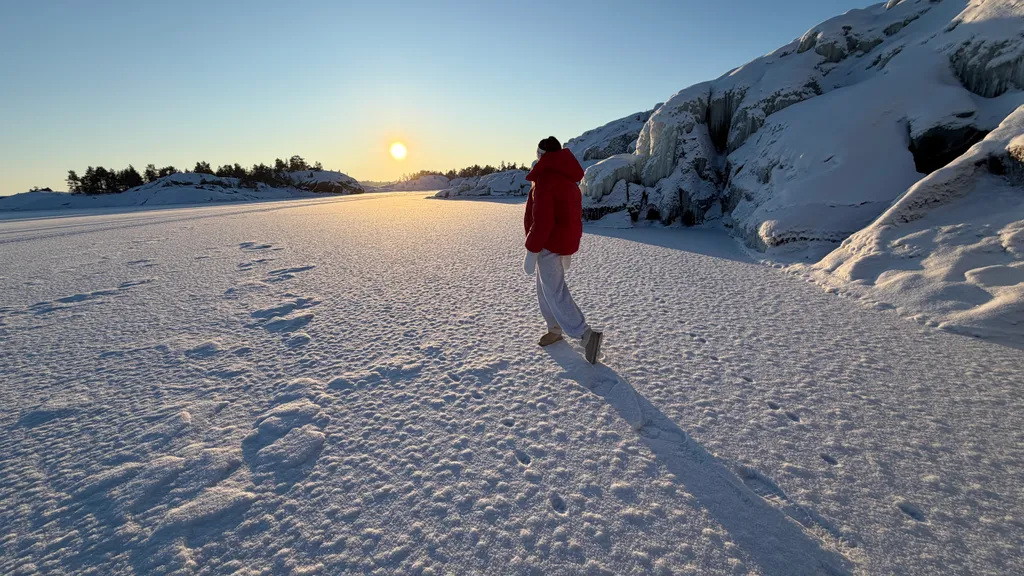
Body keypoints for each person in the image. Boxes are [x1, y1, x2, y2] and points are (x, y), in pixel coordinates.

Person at [523, 136, 603, 364]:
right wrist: (568, 247)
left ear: (542, 155)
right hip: (558, 243)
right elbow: (570, 216)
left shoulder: (547, 178)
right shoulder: (566, 177)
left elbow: (543, 220)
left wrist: (531, 250)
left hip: (548, 244)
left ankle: (586, 335)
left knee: (555, 291)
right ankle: (554, 328)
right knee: (544, 289)